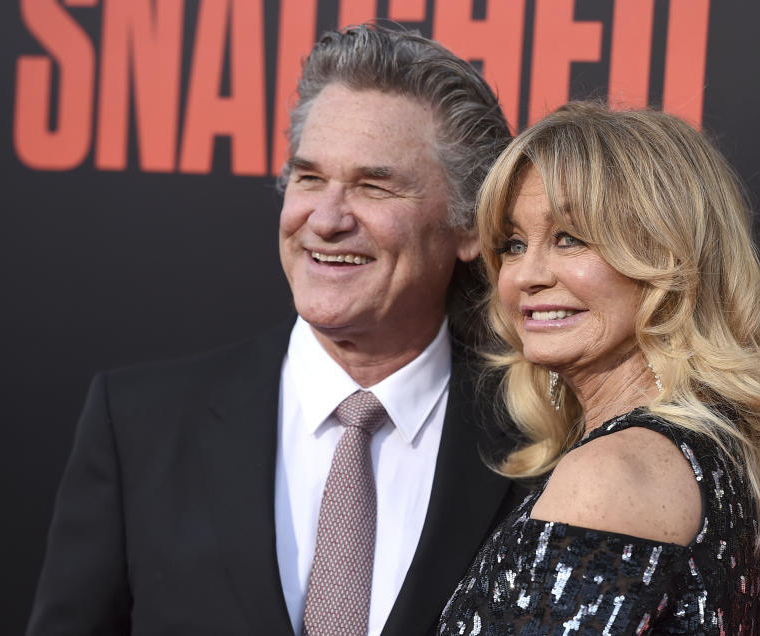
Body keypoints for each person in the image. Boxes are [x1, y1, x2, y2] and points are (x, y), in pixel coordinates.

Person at [27, 25, 518, 636]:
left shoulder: (537, 439)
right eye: (310, 178)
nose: (327, 219)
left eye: (374, 185)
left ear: (469, 225)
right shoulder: (137, 425)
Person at [439, 102, 760, 634]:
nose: (525, 276)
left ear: (668, 255)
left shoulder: (613, 475)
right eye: (513, 244)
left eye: (569, 237)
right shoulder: (701, 453)